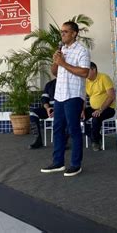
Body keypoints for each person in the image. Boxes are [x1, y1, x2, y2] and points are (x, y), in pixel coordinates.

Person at [41, 21, 90, 177]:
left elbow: (84, 72)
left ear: (74, 33)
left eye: (65, 32)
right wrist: (56, 62)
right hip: (60, 95)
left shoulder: (82, 50)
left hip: (74, 95)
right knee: (57, 128)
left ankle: (76, 164)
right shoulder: (62, 49)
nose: (62, 34)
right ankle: (58, 162)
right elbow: (55, 72)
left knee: (73, 129)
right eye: (61, 32)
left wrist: (63, 62)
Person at [81, 62, 116, 151]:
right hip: (93, 108)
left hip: (108, 108)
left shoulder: (104, 77)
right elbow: (83, 98)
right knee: (79, 116)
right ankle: (96, 137)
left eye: (87, 71)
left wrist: (100, 110)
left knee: (96, 117)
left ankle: (95, 142)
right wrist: (82, 110)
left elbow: (111, 96)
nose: (85, 73)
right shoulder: (86, 81)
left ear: (94, 70)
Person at [29, 78, 56, 149]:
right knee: (33, 113)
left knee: (66, 114)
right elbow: (44, 99)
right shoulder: (49, 84)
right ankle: (38, 140)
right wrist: (47, 109)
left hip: (63, 109)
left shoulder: (66, 84)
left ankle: (63, 141)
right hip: (50, 109)